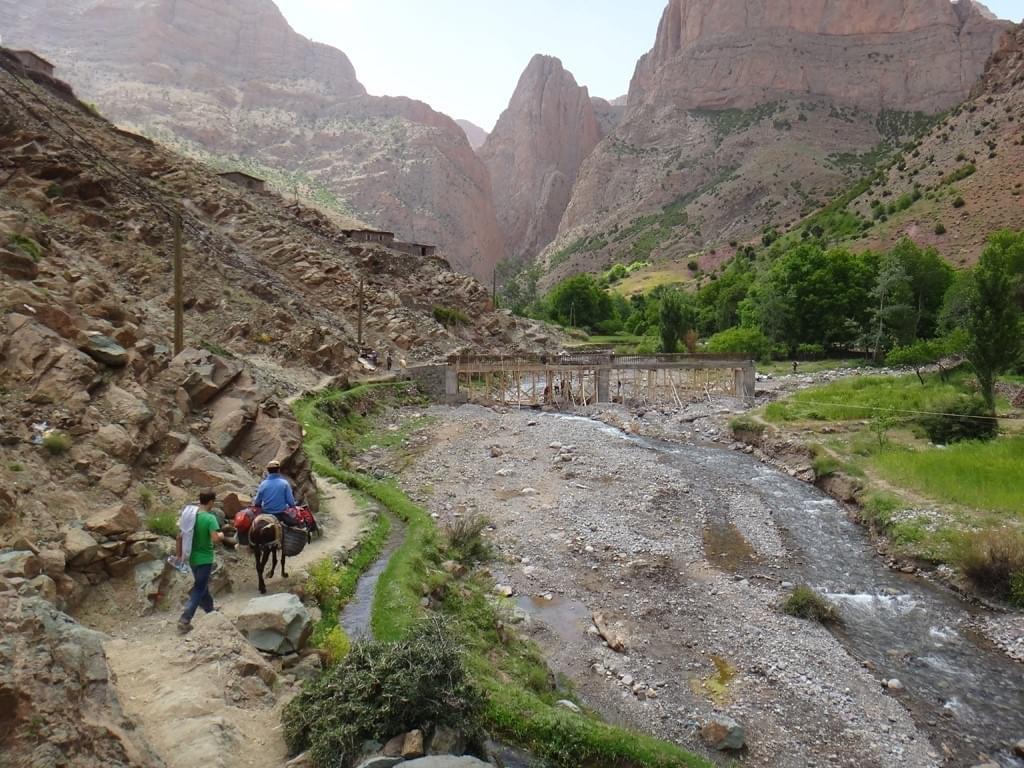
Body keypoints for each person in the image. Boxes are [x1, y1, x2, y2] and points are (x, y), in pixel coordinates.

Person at [177, 489, 224, 634]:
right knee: (199, 588)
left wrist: (179, 556)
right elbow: (215, 539)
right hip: (205, 558)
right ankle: (185, 618)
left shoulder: (189, 517)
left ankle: (211, 612)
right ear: (210, 502)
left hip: (192, 558)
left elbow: (179, 536)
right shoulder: (210, 518)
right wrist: (221, 535)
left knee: (203, 587)